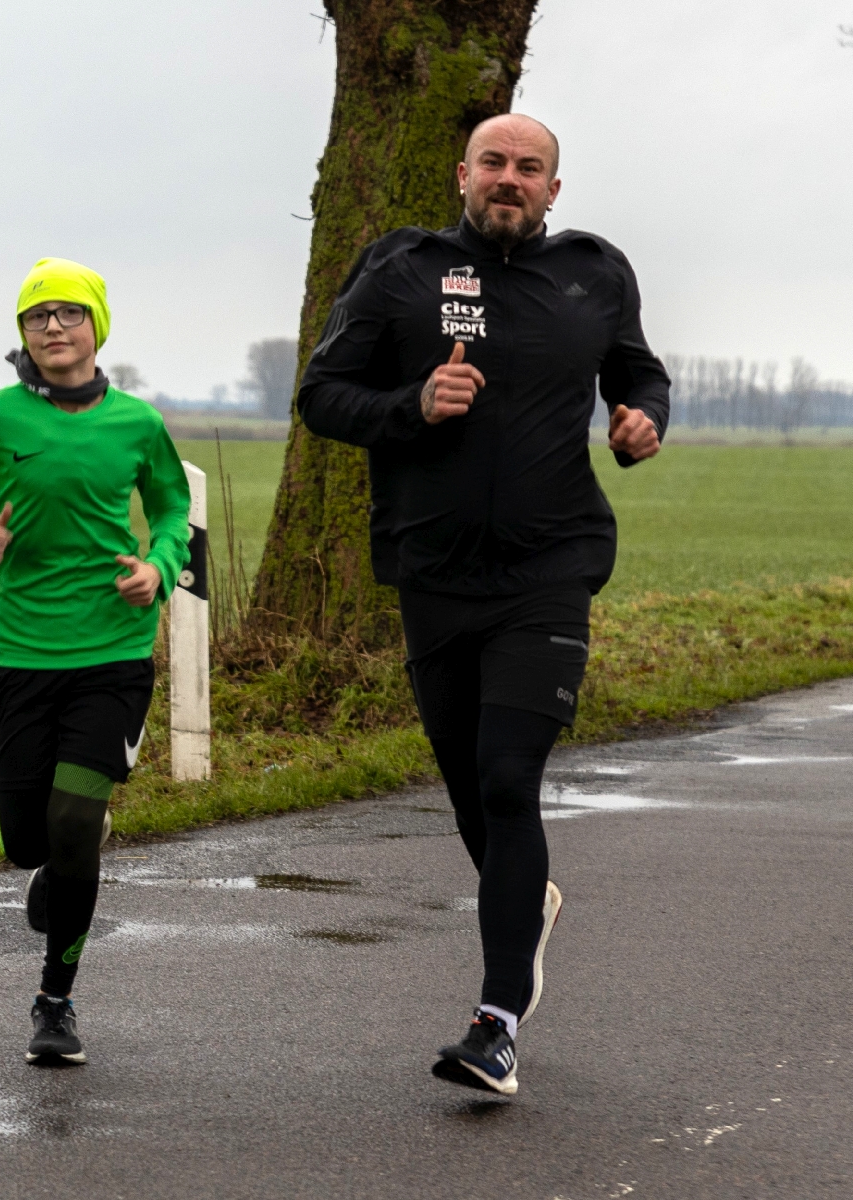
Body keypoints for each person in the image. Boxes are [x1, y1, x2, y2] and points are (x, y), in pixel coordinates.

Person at [297, 114, 668, 1095]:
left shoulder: (594, 273)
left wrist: (640, 421)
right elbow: (322, 396)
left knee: (509, 780)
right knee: (472, 792)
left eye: (529, 168)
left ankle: (495, 1022)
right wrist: (409, 408)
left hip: (550, 566)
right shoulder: (400, 271)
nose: (509, 179)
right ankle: (524, 905)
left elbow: (636, 371)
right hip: (433, 570)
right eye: (493, 163)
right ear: (462, 174)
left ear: (553, 188)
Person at [0, 258, 191, 1064]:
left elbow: (174, 508)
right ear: (23, 335)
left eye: (69, 314)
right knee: (24, 843)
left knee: (71, 825)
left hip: (112, 648)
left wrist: (160, 566)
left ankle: (56, 1000)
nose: (52, 328)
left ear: (96, 327)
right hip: (21, 650)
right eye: (37, 317)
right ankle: (72, 844)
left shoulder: (137, 424)